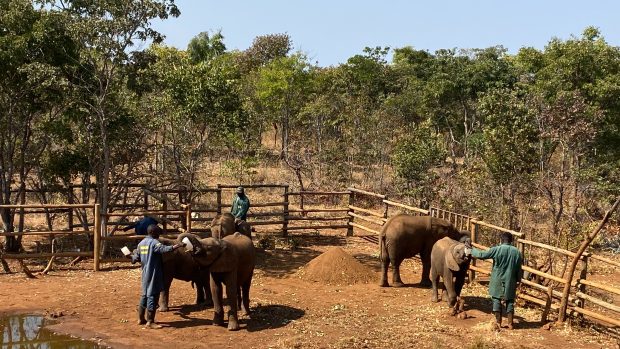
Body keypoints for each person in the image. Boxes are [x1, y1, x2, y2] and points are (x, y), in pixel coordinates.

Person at [130, 224, 184, 329]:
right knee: (153, 296)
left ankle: (140, 318)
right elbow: (164, 249)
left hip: (145, 273)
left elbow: (135, 258)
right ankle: (150, 322)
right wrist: (176, 246)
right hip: (154, 273)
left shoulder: (141, 243)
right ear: (154, 233)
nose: (159, 235)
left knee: (144, 295)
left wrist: (129, 256)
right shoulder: (154, 242)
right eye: (158, 233)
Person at [467, 232, 523, 330]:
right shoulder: (517, 252)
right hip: (510, 279)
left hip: (497, 278)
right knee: (510, 300)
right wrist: (518, 280)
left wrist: (471, 250)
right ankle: (510, 323)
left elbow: (481, 255)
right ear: (511, 241)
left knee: (496, 299)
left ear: (501, 240)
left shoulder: (497, 249)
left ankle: (498, 322)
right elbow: (519, 269)